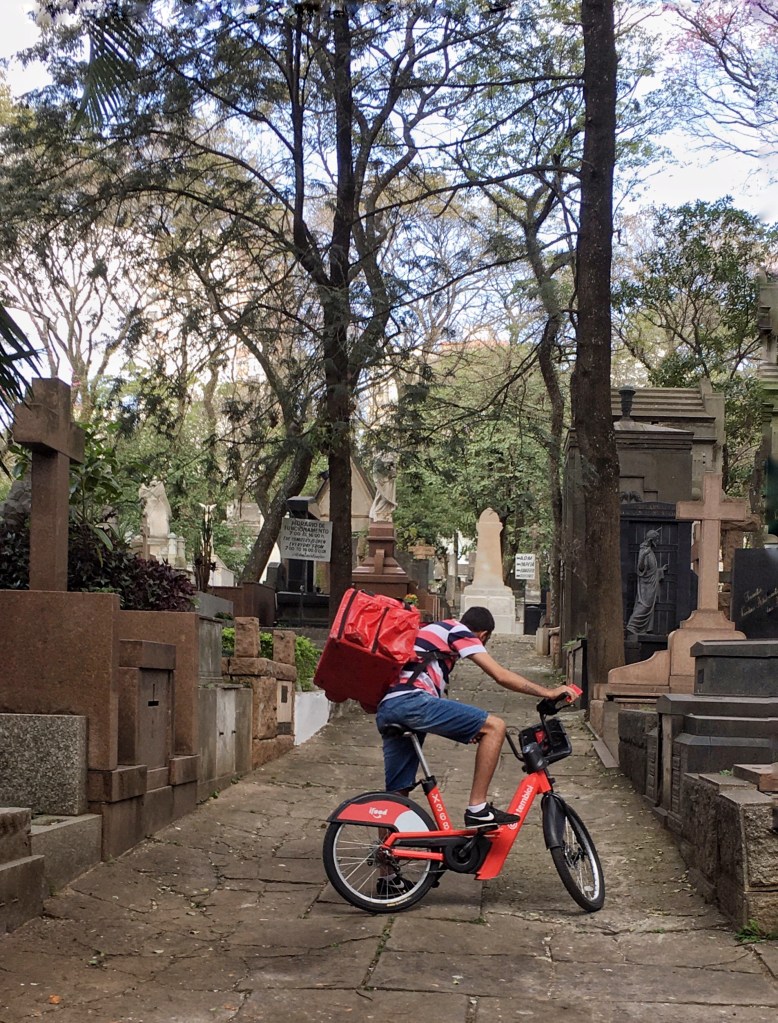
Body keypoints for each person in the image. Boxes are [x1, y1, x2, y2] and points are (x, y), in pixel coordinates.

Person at [375, 606, 579, 829]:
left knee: (397, 794)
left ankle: (384, 849)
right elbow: (500, 675)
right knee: (495, 727)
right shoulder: (457, 630)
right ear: (483, 635)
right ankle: (478, 809)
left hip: (389, 706)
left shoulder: (431, 633)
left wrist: (468, 728)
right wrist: (549, 692)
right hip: (412, 702)